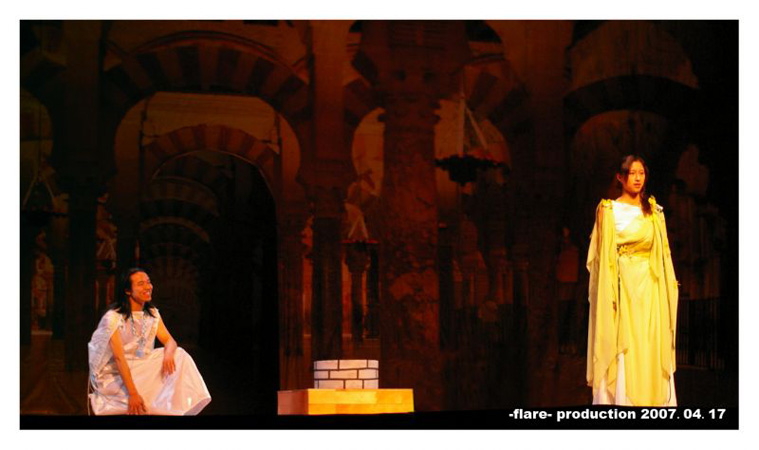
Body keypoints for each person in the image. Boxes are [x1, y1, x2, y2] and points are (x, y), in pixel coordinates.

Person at [586, 155, 679, 406]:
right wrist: (609, 293)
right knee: (625, 342)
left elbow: (663, 254)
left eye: (641, 173)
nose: (637, 178)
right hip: (623, 286)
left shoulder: (654, 212)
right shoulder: (609, 210)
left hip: (650, 287)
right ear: (620, 177)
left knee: (650, 341)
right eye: (632, 173)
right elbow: (602, 257)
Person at [88, 268, 211, 415]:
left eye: (148, 282)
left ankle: (174, 407)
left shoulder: (152, 313)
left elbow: (170, 341)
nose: (148, 287)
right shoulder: (113, 318)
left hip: (141, 363)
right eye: (141, 284)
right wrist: (133, 394)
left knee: (179, 355)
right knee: (143, 390)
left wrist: (168, 354)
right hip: (117, 371)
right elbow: (119, 358)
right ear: (128, 291)